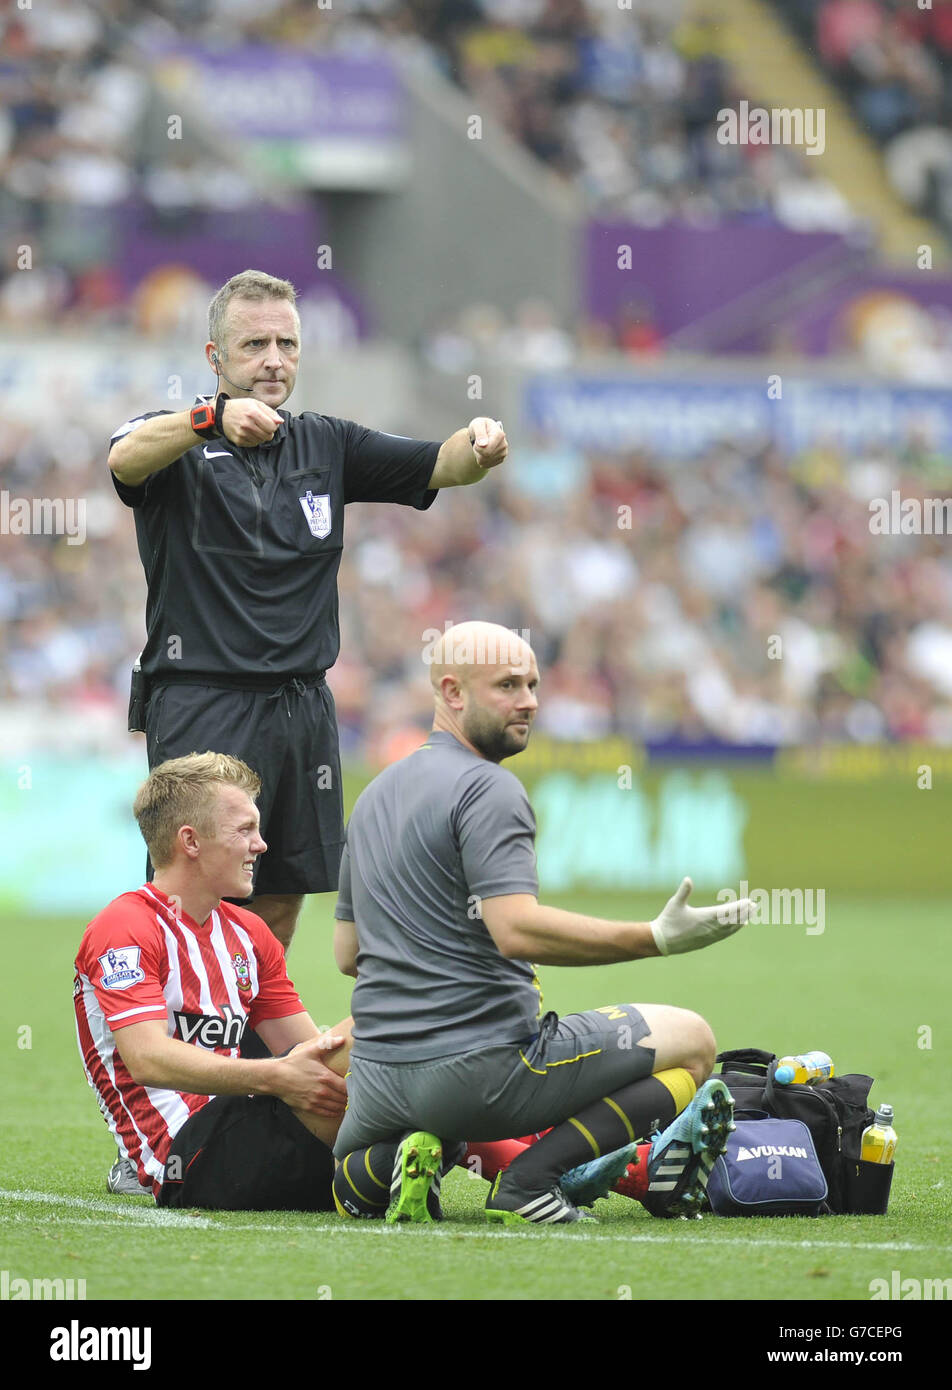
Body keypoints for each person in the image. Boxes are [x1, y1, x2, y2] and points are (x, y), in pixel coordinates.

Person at [108, 268, 508, 954]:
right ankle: (170, 1053)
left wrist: (477, 445)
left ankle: (248, 1053)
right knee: (195, 899)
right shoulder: (178, 439)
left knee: (282, 897)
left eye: (286, 344)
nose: (273, 359)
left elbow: (439, 466)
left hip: (301, 706)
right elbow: (123, 458)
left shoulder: (327, 443)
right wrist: (209, 417)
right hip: (204, 701)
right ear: (216, 358)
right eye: (255, 344)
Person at [331, 621, 754, 1225]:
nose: (528, 700)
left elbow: (348, 953)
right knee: (693, 1040)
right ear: (451, 692)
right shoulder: (489, 787)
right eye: (507, 685)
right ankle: (530, 1180)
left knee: (357, 1180)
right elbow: (516, 929)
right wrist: (654, 938)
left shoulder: (372, 796)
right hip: (485, 1074)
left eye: (532, 683)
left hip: (377, 1081)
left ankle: (400, 1159)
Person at [74, 752, 352, 1207]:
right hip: (186, 1158)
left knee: (390, 1037)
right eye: (244, 830)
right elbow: (147, 1060)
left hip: (255, 1125)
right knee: (391, 1027)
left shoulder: (249, 933)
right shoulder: (124, 925)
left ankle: (397, 1165)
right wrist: (275, 1076)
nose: (261, 845)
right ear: (191, 841)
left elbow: (311, 1052)